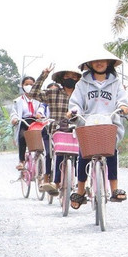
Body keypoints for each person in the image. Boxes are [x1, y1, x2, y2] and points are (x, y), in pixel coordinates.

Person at [67, 49, 128, 209]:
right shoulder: (82, 83)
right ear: (89, 64)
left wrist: (123, 107)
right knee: (84, 154)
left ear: (109, 63)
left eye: (103, 60)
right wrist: (74, 112)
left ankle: (114, 188)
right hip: (87, 123)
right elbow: (76, 102)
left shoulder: (116, 83)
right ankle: (80, 191)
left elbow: (122, 100)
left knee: (111, 152)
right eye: (95, 60)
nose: (99, 63)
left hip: (109, 123)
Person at [27, 64, 82, 195]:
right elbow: (33, 93)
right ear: (61, 79)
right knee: (59, 154)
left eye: (74, 77)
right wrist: (43, 75)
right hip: (57, 130)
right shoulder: (53, 93)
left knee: (82, 157)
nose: (71, 79)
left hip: (77, 130)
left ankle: (80, 186)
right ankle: (56, 182)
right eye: (67, 76)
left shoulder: (81, 95)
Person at [10, 76, 39, 171]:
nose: (29, 86)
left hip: (36, 122)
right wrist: (14, 119)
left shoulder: (39, 99)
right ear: (22, 86)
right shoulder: (18, 101)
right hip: (24, 121)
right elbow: (14, 112)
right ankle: (21, 161)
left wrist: (41, 115)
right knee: (22, 136)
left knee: (42, 139)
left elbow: (43, 109)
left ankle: (41, 162)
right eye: (26, 84)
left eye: (31, 84)